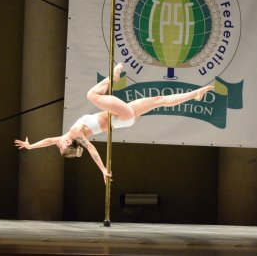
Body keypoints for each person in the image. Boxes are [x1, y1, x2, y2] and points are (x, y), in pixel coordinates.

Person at [15, 63, 213, 184]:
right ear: (69, 144)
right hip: (119, 117)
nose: (58, 144)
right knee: (91, 95)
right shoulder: (76, 134)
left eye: (59, 147)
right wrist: (102, 170)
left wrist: (31, 146)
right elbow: (92, 150)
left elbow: (48, 140)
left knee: (158, 100)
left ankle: (195, 94)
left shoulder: (68, 136)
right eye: (61, 147)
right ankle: (114, 77)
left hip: (121, 119)